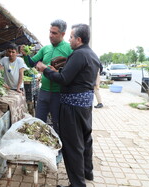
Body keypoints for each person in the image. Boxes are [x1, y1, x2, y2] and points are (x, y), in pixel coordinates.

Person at [36, 24, 101, 187]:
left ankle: (77, 183)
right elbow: (76, 78)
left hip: (72, 106)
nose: (69, 40)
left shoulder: (78, 54)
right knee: (85, 139)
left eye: (71, 37)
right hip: (85, 106)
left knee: (72, 145)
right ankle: (88, 171)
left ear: (79, 39)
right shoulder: (91, 54)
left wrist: (45, 70)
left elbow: (64, 79)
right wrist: (59, 71)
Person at [21, 19, 73, 135]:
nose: (51, 35)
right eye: (50, 32)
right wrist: (26, 55)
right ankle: (40, 148)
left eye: (54, 33)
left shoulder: (69, 49)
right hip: (43, 92)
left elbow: (72, 72)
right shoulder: (45, 49)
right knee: (39, 123)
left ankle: (59, 150)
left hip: (59, 94)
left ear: (63, 34)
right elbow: (31, 63)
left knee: (58, 123)